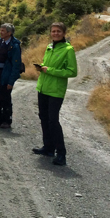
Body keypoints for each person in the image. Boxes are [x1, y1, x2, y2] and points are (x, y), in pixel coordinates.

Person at [33, 22, 77, 166]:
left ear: (64, 33)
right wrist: (42, 68)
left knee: (53, 120)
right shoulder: (49, 46)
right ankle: (48, 148)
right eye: (53, 31)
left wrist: (50, 70)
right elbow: (47, 65)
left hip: (56, 91)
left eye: (58, 31)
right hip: (43, 88)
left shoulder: (68, 49)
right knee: (43, 118)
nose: (55, 33)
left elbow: (72, 71)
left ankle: (61, 153)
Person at [0, 23, 22, 129]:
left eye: (3, 30)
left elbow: (16, 66)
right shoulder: (0, 41)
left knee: (5, 98)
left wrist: (11, 82)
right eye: (1, 30)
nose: (0, 32)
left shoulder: (14, 46)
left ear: (9, 33)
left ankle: (7, 121)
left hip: (5, 75)